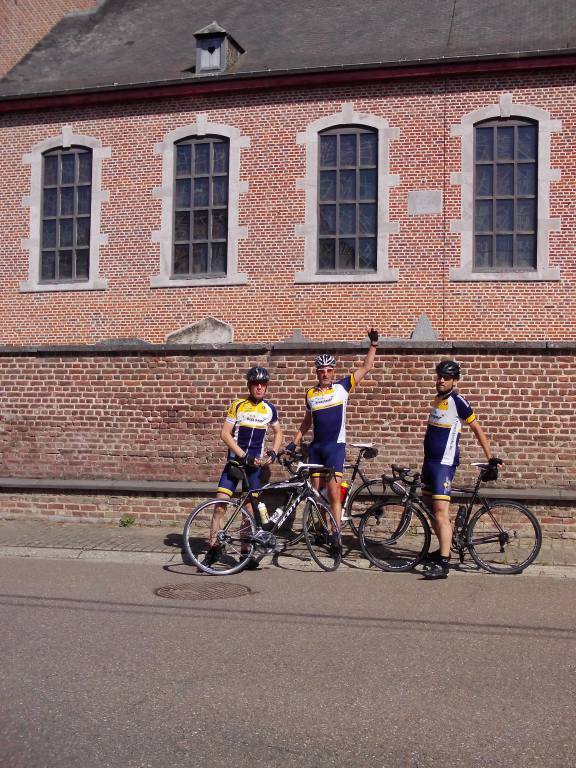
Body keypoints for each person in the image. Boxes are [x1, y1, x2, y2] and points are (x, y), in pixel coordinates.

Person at [286, 327, 379, 554]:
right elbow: (307, 421)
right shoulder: (310, 394)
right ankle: (320, 530)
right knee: (316, 495)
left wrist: (373, 344)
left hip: (335, 447)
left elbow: (366, 367)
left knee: (334, 492)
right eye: (321, 371)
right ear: (317, 373)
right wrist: (295, 441)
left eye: (328, 370)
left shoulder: (342, 387)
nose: (325, 374)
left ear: (332, 371)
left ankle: (336, 535)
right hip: (317, 448)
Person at [421, 359, 501, 580]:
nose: (441, 380)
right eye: (439, 376)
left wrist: (490, 457)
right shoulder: (437, 399)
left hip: (444, 463)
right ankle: (442, 549)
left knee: (440, 512)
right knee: (428, 507)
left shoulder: (459, 401)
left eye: (446, 377)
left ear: (454, 380)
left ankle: (444, 564)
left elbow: (476, 427)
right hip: (429, 461)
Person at [201, 366, 283, 571]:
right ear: (249, 385)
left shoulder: (269, 409)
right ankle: (213, 548)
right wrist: (243, 455)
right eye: (255, 384)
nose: (259, 387)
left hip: (254, 468)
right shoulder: (238, 405)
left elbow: (278, 432)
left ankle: (245, 552)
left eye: (263, 384)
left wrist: (273, 452)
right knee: (220, 505)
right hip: (236, 464)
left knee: (248, 509)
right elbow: (225, 434)